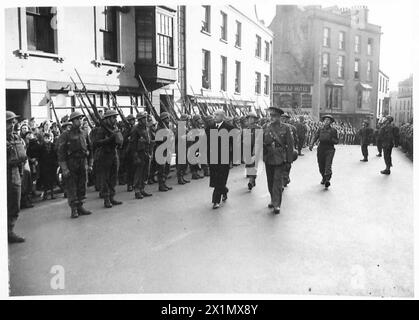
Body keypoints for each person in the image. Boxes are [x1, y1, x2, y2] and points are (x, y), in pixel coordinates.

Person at [57, 111, 92, 218]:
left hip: (82, 162)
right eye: (77, 119)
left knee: (82, 185)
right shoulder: (66, 135)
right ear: (72, 121)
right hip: (71, 163)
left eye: (80, 119)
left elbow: (90, 148)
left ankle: (80, 206)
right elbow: (61, 153)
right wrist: (64, 168)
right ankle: (74, 209)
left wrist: (90, 164)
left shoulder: (84, 133)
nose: (79, 121)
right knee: (72, 187)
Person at [263, 106, 294, 214]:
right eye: (270, 115)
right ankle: (272, 198)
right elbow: (260, 142)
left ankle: (277, 204)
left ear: (279, 117)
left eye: (274, 116)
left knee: (277, 181)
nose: (271, 117)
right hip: (268, 157)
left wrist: (289, 161)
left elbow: (290, 145)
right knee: (270, 181)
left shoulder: (285, 128)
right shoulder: (265, 127)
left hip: (280, 157)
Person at [91, 109, 124, 208]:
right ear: (108, 119)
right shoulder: (101, 129)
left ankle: (112, 197)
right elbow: (96, 143)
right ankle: (106, 199)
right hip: (104, 155)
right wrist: (109, 139)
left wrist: (119, 141)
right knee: (105, 178)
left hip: (113, 154)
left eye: (115, 117)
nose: (115, 119)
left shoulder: (114, 127)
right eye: (113, 117)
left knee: (113, 177)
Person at [6, 110, 27, 243]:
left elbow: (23, 155)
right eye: (9, 122)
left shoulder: (16, 138)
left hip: (15, 173)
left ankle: (10, 231)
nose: (12, 124)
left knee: (15, 204)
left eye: (13, 122)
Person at [208, 110, 235, 209]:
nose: (214, 116)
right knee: (216, 179)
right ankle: (224, 190)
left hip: (224, 158)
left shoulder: (229, 128)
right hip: (213, 157)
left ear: (223, 117)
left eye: (217, 115)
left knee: (220, 179)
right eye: (214, 114)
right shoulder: (210, 127)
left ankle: (216, 201)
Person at [309, 115, 339, 189]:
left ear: (330, 122)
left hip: (330, 149)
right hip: (321, 148)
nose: (326, 121)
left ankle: (327, 180)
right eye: (325, 120)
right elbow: (315, 136)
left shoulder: (333, 131)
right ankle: (324, 177)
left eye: (328, 120)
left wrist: (331, 139)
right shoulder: (320, 129)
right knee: (321, 165)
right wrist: (311, 144)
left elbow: (337, 141)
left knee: (328, 165)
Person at [129, 112, 153, 199]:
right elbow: (132, 144)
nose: (145, 119)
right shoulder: (135, 129)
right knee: (138, 173)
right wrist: (135, 156)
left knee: (145, 172)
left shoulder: (146, 127)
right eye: (143, 118)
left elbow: (148, 140)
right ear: (139, 120)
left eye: (145, 118)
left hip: (146, 152)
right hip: (139, 153)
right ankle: (137, 191)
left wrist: (150, 152)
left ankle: (142, 189)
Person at [156, 112, 173, 192]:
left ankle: (164, 183)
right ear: (163, 119)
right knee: (161, 169)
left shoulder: (167, 127)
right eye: (167, 118)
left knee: (167, 168)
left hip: (167, 149)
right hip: (161, 150)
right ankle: (161, 185)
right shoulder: (159, 128)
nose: (168, 119)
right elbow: (158, 139)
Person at [244, 112, 261, 191]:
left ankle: (251, 180)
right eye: (249, 118)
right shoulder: (247, 129)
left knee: (253, 165)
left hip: (255, 149)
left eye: (252, 118)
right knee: (249, 165)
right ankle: (252, 180)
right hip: (247, 150)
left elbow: (259, 140)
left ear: (255, 119)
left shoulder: (258, 128)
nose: (250, 120)